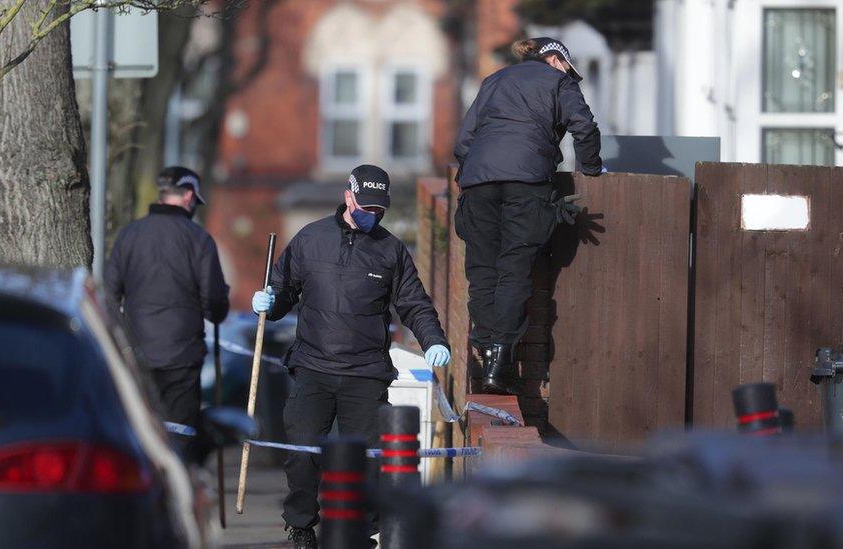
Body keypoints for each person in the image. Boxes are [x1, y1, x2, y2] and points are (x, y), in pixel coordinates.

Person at [251, 164, 450, 549]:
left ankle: (366, 531)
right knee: (303, 452)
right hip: (313, 367)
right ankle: (302, 525)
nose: (372, 216)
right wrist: (269, 302)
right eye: (366, 207)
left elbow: (414, 304)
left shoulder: (391, 251)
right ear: (348, 197)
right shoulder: (310, 240)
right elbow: (282, 290)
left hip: (366, 372)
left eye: (379, 211)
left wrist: (433, 340)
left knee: (369, 460)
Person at [453, 37, 604, 395]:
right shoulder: (558, 82)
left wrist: (476, 171)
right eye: (568, 67)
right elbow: (583, 126)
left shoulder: (495, 80)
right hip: (527, 180)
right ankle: (499, 362)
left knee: (483, 269)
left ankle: (486, 349)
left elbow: (463, 141)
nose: (569, 73)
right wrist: (593, 169)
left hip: (478, 183)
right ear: (555, 59)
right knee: (514, 268)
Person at [105, 166, 230, 456]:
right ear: (188, 195)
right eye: (195, 201)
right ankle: (178, 494)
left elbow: (109, 295)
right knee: (179, 437)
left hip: (136, 355)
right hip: (181, 357)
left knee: (138, 434)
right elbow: (213, 304)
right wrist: (221, 302)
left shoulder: (129, 235)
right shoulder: (198, 239)